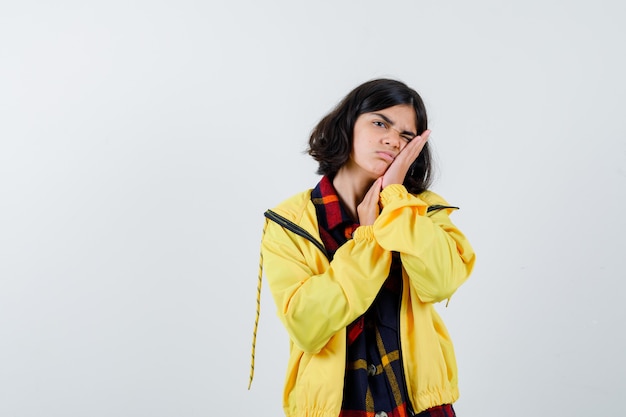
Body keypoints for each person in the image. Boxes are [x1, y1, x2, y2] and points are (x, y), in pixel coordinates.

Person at [249, 78, 476, 417]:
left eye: (406, 136)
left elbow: (442, 281)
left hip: (419, 406)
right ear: (347, 125)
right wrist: (369, 239)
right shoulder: (290, 221)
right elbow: (307, 325)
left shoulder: (420, 210)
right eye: (380, 122)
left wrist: (396, 201)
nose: (392, 140)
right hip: (335, 407)